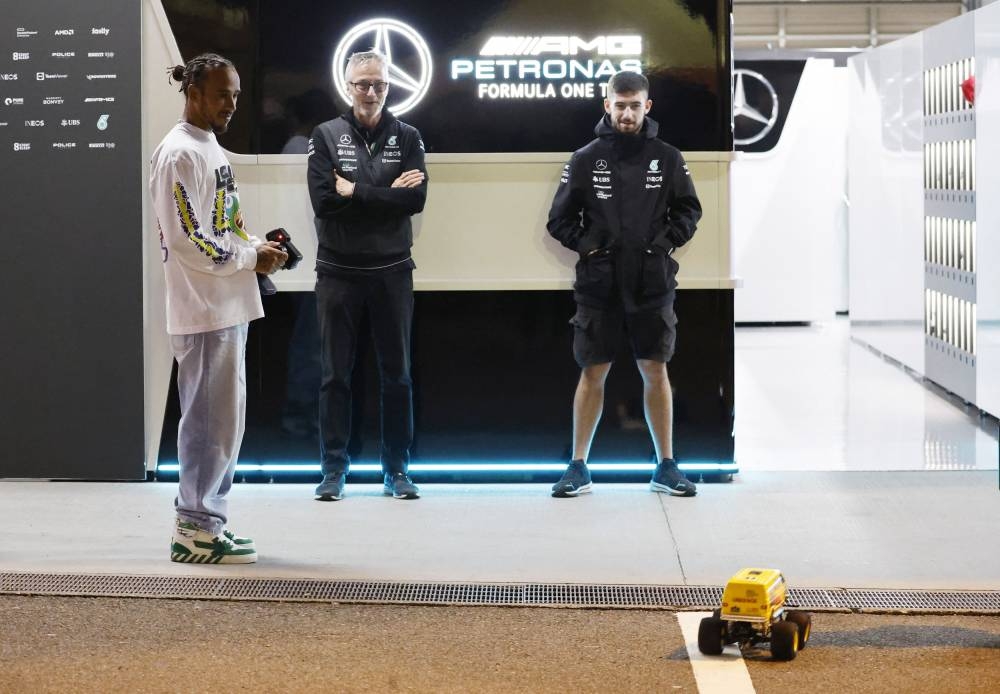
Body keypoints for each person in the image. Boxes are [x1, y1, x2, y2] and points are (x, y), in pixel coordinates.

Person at [150, 53, 287, 562]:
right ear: (193, 93)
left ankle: (208, 520)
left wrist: (260, 247)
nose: (231, 103)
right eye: (220, 93)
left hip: (227, 306)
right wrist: (251, 256)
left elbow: (221, 227)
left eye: (235, 94)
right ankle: (193, 529)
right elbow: (189, 240)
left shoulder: (211, 150)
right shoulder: (179, 154)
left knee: (224, 423)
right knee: (208, 424)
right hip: (203, 309)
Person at [546, 70, 701, 499]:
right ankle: (578, 467)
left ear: (647, 106)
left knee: (655, 369)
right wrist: (590, 247)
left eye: (635, 105)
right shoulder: (585, 157)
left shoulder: (667, 157)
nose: (627, 112)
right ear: (607, 105)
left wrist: (662, 245)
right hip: (599, 285)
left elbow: (689, 211)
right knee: (592, 372)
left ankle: (665, 466)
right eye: (620, 105)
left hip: (652, 283)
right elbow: (558, 221)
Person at [307, 49, 428, 501]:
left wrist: (355, 189)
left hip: (392, 271)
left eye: (378, 83)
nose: (371, 91)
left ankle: (397, 471)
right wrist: (385, 193)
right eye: (362, 84)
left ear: (388, 87)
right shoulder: (325, 136)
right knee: (334, 375)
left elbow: (414, 201)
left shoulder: (410, 137)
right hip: (337, 271)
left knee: (397, 375)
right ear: (348, 86)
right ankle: (333, 471)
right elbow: (324, 202)